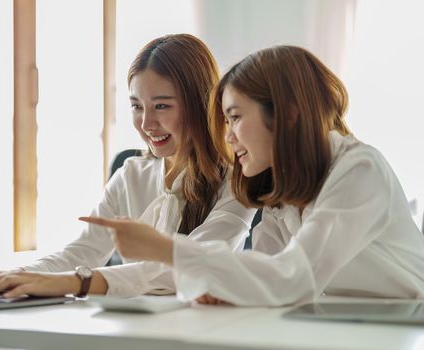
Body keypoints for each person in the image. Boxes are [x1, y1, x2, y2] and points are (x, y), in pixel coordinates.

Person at [81, 45, 424, 306]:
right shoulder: (281, 189)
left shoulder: (358, 170)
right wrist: (227, 286)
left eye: (235, 117)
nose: (228, 137)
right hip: (339, 321)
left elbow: (292, 277)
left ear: (286, 115)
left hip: (402, 326)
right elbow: (265, 267)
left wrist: (168, 250)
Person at [0, 34, 255, 300]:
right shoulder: (131, 174)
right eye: (136, 106)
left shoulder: (237, 181)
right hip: (133, 324)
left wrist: (75, 283)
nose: (146, 124)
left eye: (162, 106)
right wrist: (19, 276)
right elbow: (83, 251)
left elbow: (188, 268)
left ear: (200, 104)